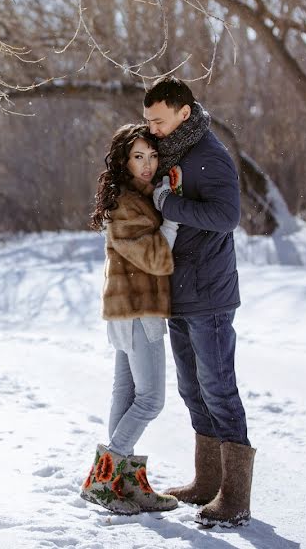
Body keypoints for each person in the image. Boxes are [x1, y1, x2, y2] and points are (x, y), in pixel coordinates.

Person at [143, 75, 255, 527]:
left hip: (209, 294)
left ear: (183, 113)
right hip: (179, 293)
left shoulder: (210, 156)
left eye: (159, 119)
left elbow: (228, 217)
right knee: (192, 390)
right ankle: (206, 482)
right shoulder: (175, 152)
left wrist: (169, 206)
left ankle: (235, 499)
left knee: (219, 389)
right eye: (147, 120)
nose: (151, 128)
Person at [79, 124, 180, 515]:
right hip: (139, 310)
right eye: (138, 156)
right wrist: (170, 213)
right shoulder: (125, 203)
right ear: (124, 160)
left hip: (130, 310)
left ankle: (127, 485)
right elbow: (155, 258)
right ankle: (102, 480)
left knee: (125, 397)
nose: (147, 164)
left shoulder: (140, 197)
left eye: (152, 156)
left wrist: (161, 199)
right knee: (151, 399)